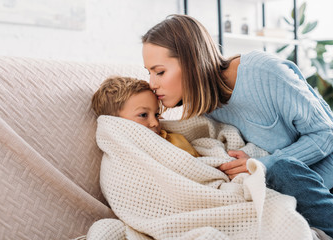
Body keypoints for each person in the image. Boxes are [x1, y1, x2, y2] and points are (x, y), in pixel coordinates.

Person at [141, 14, 333, 237]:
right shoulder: (204, 108)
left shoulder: (264, 72)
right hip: (284, 193)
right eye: (149, 73)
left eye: (160, 72)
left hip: (324, 182)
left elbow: (326, 133)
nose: (152, 83)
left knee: (279, 168)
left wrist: (264, 164)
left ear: (191, 62)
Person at [91, 76, 200, 157]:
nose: (155, 123)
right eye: (143, 115)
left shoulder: (170, 136)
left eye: (157, 114)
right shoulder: (126, 153)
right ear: (117, 123)